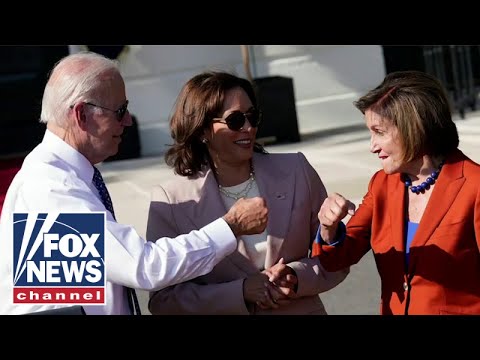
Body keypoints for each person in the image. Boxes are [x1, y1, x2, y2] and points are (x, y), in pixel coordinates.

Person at [0, 52, 269, 315]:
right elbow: (144, 267)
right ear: (81, 115)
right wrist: (231, 226)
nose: (128, 120)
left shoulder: (65, 175)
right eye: (120, 111)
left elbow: (79, 288)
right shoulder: (52, 187)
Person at [146, 71, 349, 315]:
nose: (249, 127)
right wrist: (240, 291)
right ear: (202, 130)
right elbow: (164, 300)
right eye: (235, 120)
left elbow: (335, 261)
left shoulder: (297, 170)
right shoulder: (170, 201)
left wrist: (296, 277)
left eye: (253, 117)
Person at [312, 70, 480, 315]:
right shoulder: (382, 184)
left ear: (414, 128)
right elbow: (336, 259)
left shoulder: (473, 186)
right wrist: (328, 227)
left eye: (379, 132)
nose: (372, 146)